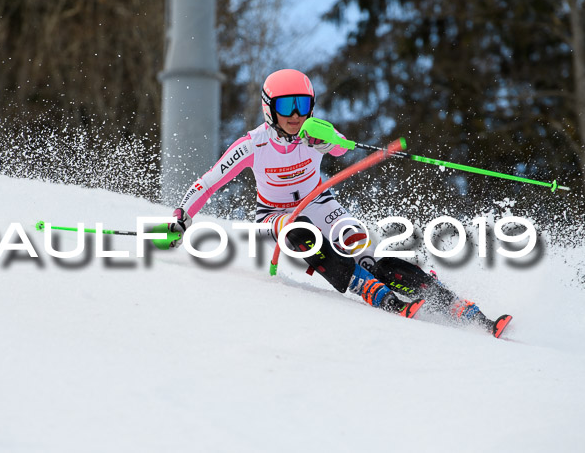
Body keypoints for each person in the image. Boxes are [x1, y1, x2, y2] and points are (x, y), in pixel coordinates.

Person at [166, 69, 511, 337]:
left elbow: (343, 147)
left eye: (303, 105)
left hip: (320, 202)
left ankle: (451, 303)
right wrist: (183, 215)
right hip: (273, 214)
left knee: (359, 245)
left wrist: (328, 140)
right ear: (269, 108)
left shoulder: (314, 132)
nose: (296, 115)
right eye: (287, 106)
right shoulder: (252, 145)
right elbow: (210, 181)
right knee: (296, 231)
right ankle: (367, 289)